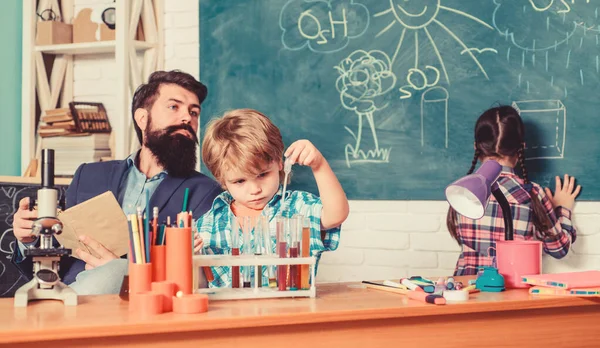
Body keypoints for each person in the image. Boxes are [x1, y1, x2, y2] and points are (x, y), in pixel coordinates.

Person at [11, 70, 222, 294]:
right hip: (71, 294)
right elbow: (56, 259)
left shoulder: (205, 193)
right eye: (174, 107)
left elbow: (194, 279)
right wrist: (28, 239)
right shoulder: (88, 175)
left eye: (194, 112)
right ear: (142, 118)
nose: (187, 118)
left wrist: (122, 272)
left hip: (142, 306)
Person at [197, 108, 349, 287]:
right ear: (222, 179)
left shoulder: (297, 207)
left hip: (289, 312)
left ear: (279, 162)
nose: (254, 189)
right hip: (231, 314)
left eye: (262, 175)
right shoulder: (209, 222)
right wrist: (192, 258)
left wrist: (319, 164)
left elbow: (336, 215)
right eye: (239, 181)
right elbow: (202, 285)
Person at [446, 105, 581, 276]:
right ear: (521, 148)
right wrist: (562, 209)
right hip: (511, 294)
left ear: (476, 147)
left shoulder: (462, 191)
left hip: (466, 293)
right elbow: (559, 249)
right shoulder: (530, 194)